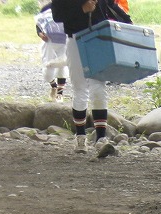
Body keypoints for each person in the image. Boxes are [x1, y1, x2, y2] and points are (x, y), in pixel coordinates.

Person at [51, 0, 130, 153]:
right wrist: (82, 9)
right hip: (75, 38)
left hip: (98, 38)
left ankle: (101, 138)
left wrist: (128, 22)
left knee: (98, 87)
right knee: (79, 88)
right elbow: (57, 15)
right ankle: (80, 137)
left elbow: (110, 5)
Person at [35, 3, 68, 102]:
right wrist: (40, 34)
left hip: (64, 41)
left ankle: (60, 94)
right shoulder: (46, 8)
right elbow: (39, 24)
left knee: (62, 66)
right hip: (49, 41)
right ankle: (53, 86)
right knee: (47, 71)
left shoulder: (71, 5)